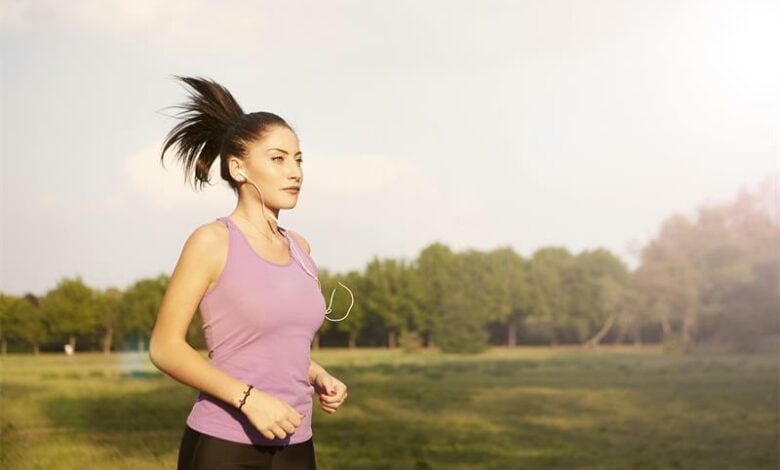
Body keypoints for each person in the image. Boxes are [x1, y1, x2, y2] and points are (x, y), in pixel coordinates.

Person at [149, 76, 349, 469]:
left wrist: (317, 374)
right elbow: (165, 347)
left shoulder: (300, 248)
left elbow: (270, 345)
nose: (295, 172)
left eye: (298, 159)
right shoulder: (212, 241)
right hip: (226, 444)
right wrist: (248, 400)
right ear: (238, 168)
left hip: (297, 444)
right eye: (278, 159)